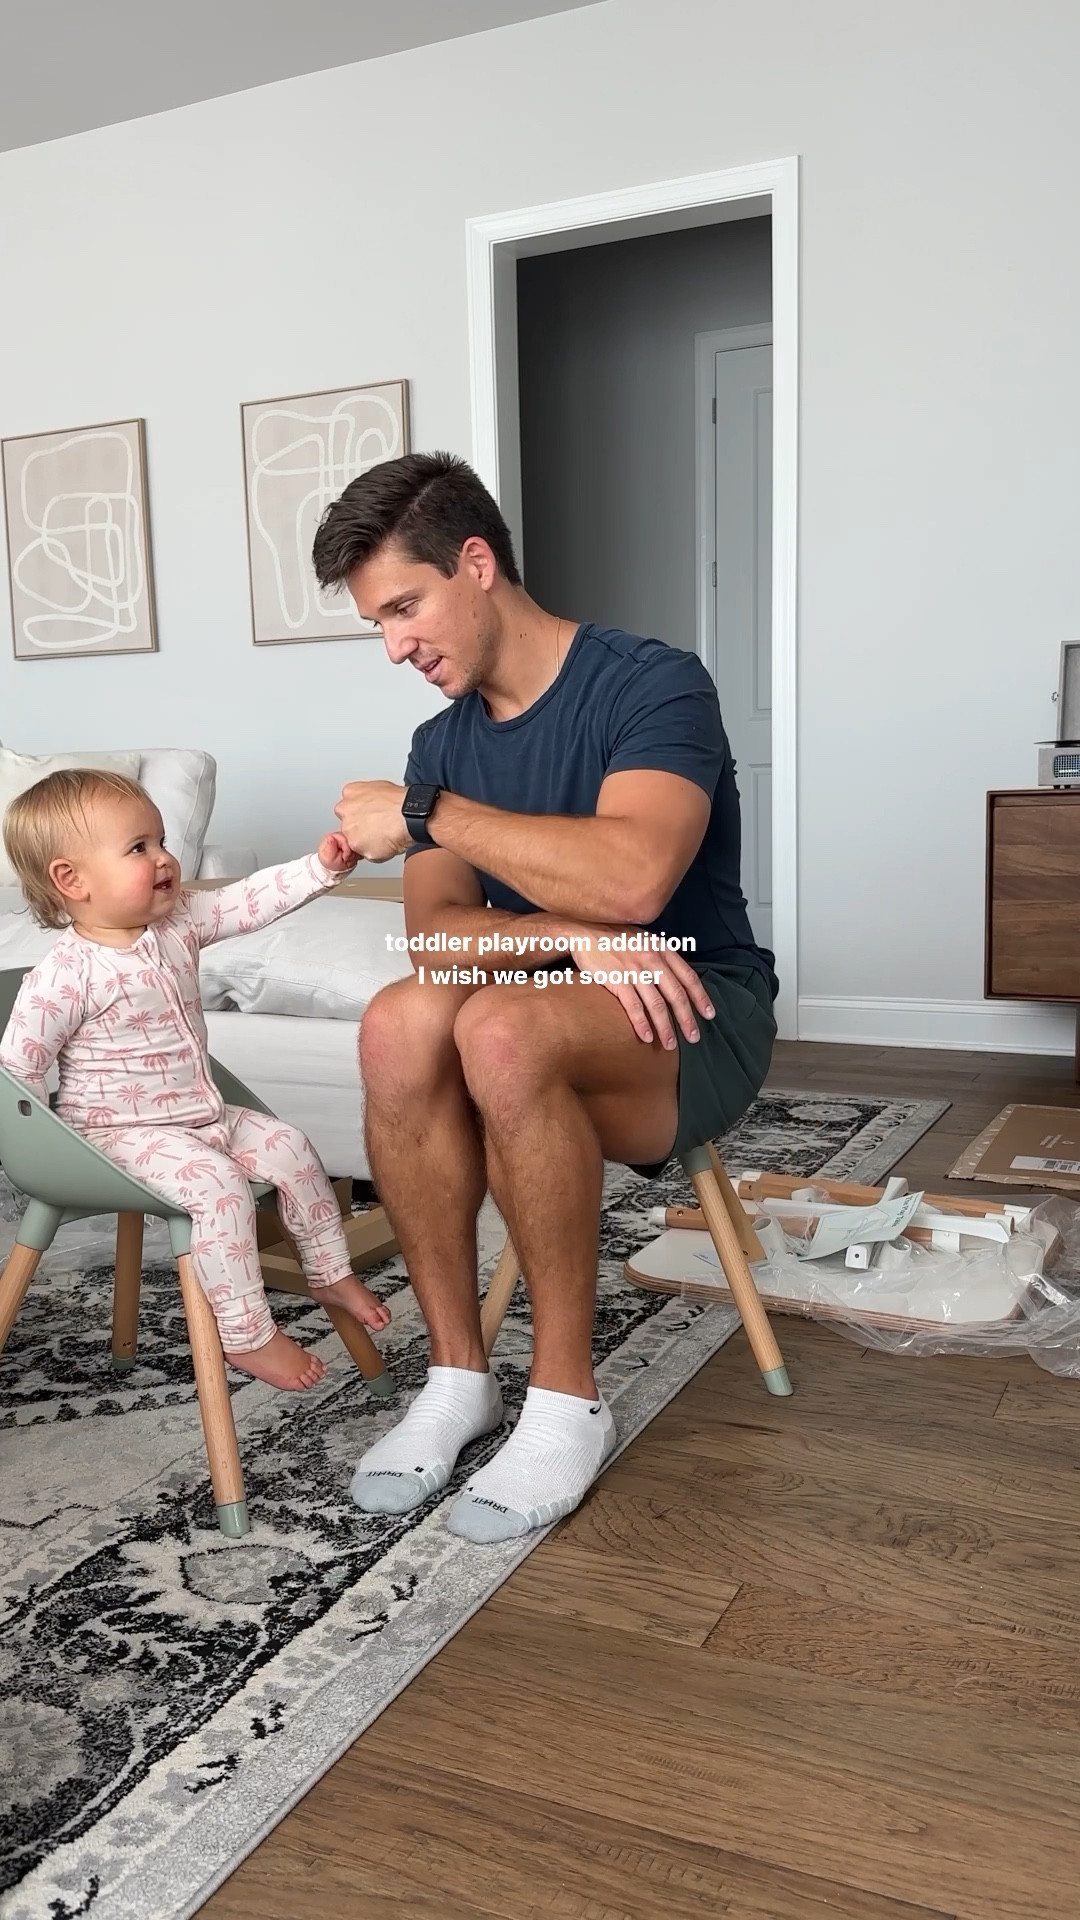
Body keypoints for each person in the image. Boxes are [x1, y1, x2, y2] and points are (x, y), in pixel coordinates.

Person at [312, 452, 776, 1541]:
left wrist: (429, 811)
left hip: (695, 1006)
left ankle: (567, 1401)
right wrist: (575, 942)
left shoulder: (654, 682)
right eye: (377, 624)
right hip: (545, 992)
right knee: (400, 1018)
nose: (396, 647)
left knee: (502, 1026)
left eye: (404, 608)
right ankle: (459, 1379)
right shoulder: (443, 738)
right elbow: (434, 943)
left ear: (476, 564)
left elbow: (635, 880)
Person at [0, 769, 391, 1390]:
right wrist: (40, 1141)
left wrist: (321, 869)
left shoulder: (177, 922)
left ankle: (328, 1268)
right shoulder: (64, 976)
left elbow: (247, 900)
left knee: (291, 1145)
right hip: (111, 1137)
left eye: (160, 840)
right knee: (219, 1188)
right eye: (138, 848)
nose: (163, 858)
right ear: (71, 880)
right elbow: (16, 1071)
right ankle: (248, 1335)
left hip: (200, 1116)